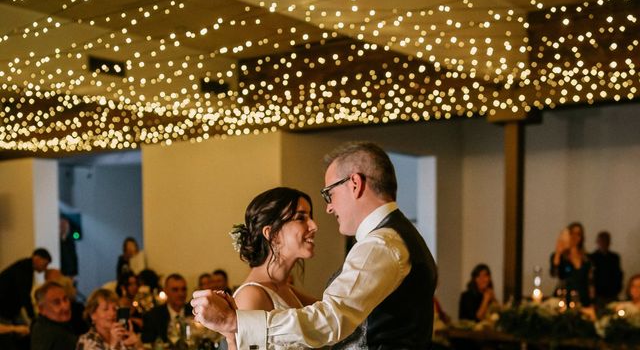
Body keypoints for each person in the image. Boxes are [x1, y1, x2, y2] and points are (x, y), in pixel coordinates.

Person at [192, 141, 438, 349]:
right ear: (271, 234)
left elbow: (331, 318)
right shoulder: (397, 237)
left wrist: (234, 322)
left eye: (329, 193)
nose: (328, 208)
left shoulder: (381, 244)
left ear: (355, 184)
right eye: (301, 217)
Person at [225, 188, 318, 348]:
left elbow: (335, 316)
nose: (313, 226)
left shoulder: (287, 290)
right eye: (301, 218)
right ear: (271, 234)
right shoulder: (252, 296)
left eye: (310, 217)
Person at [76, 288, 142, 350]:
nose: (112, 313)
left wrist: (138, 346)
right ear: (93, 315)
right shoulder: (87, 341)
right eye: (105, 309)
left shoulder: (123, 337)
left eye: (114, 309)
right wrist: (113, 346)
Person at [0, 248, 52, 322]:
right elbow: (24, 295)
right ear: (37, 258)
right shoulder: (23, 270)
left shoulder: (24, 266)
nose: (45, 268)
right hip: (4, 309)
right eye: (45, 264)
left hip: (9, 308)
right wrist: (32, 316)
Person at [550, 222, 593, 306]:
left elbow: (589, 281)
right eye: (572, 233)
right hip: (564, 297)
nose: (575, 237)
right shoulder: (561, 257)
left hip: (582, 298)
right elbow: (554, 273)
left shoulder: (587, 258)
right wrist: (558, 252)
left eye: (578, 234)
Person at [141, 273, 192, 344]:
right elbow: (147, 343)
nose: (181, 294)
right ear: (166, 291)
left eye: (183, 289)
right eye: (175, 290)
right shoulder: (153, 316)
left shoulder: (194, 312)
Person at [31, 281, 78, 350]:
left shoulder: (40, 325)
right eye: (56, 303)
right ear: (41, 309)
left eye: (65, 299)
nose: (65, 307)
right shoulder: (53, 335)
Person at [589, 231, 623, 307]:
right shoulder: (592, 258)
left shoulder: (614, 258)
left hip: (612, 294)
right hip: (597, 295)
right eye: (601, 241)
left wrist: (617, 289)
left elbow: (618, 275)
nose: (603, 243)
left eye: (605, 241)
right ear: (597, 242)